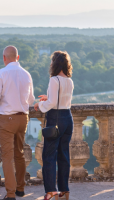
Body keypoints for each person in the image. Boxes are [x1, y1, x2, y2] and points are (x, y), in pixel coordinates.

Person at [0, 46, 35, 200]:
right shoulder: (27, 74)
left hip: (6, 118)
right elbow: (31, 100)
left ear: (4, 58)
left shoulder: (1, 73)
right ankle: (20, 188)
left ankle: (10, 194)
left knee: (7, 156)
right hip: (23, 118)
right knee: (19, 154)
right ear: (18, 57)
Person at [34, 51, 74, 200]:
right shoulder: (69, 81)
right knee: (64, 155)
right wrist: (48, 97)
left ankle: (51, 191)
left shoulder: (54, 80)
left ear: (55, 63)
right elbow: (61, 99)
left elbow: (52, 103)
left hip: (55, 118)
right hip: (67, 118)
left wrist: (40, 104)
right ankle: (64, 191)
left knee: (49, 156)